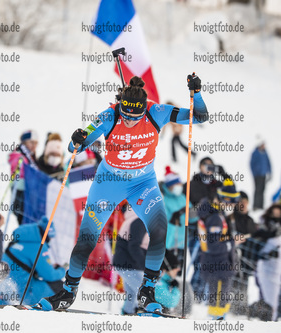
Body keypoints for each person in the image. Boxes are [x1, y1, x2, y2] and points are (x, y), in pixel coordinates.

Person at [37, 74, 209, 312]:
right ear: (121, 107)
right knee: (87, 236)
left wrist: (196, 93)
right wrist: (77, 139)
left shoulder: (155, 111)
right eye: (126, 115)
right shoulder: (110, 115)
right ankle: (68, 291)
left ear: (143, 110)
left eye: (134, 117)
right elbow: (76, 146)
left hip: (143, 183)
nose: (128, 121)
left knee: (159, 229)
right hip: (109, 182)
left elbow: (200, 117)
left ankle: (147, 291)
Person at [0, 217, 65, 306]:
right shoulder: (39, 246)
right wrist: (62, 270)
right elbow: (48, 275)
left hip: (1, 292)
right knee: (59, 286)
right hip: (21, 295)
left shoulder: (19, 240)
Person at [197, 179, 239, 320]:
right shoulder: (214, 218)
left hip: (221, 266)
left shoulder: (217, 214)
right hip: (217, 267)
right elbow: (213, 246)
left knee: (221, 303)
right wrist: (232, 243)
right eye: (231, 202)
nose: (233, 206)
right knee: (217, 306)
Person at [248, 204, 281, 321]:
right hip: (263, 268)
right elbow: (255, 245)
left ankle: (270, 319)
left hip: (277, 269)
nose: (275, 217)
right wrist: (265, 255)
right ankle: (262, 318)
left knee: (274, 299)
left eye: (278, 215)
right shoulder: (262, 229)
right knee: (264, 296)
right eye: (273, 214)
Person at [226, 191, 256, 316]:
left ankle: (241, 310)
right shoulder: (230, 219)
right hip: (231, 260)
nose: (243, 205)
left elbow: (254, 240)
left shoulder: (250, 220)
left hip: (247, 260)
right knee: (230, 285)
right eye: (241, 202)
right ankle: (229, 309)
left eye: (245, 203)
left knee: (243, 286)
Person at [112, 207, 148, 315]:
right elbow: (134, 246)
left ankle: (128, 313)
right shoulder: (139, 221)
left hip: (127, 264)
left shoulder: (135, 218)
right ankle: (147, 311)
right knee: (143, 291)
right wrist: (145, 266)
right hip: (128, 264)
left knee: (132, 294)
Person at [162, 166, 198, 268]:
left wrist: (194, 213)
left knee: (178, 271)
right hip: (169, 242)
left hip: (182, 242)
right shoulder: (164, 199)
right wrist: (175, 217)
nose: (179, 186)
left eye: (180, 183)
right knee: (168, 270)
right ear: (170, 185)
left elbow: (191, 218)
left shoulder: (183, 197)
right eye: (177, 184)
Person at [8, 130, 39, 224]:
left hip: (28, 194)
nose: (34, 145)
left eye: (36, 143)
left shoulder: (31, 157)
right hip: (21, 192)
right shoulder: (19, 155)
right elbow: (20, 172)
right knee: (23, 220)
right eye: (31, 142)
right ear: (24, 142)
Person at [250, 140, 271, 210]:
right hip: (257, 175)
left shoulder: (265, 153)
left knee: (262, 189)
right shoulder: (255, 153)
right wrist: (254, 172)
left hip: (263, 174)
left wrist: (269, 172)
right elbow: (251, 164)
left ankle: (261, 206)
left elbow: (268, 162)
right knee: (257, 190)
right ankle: (255, 205)